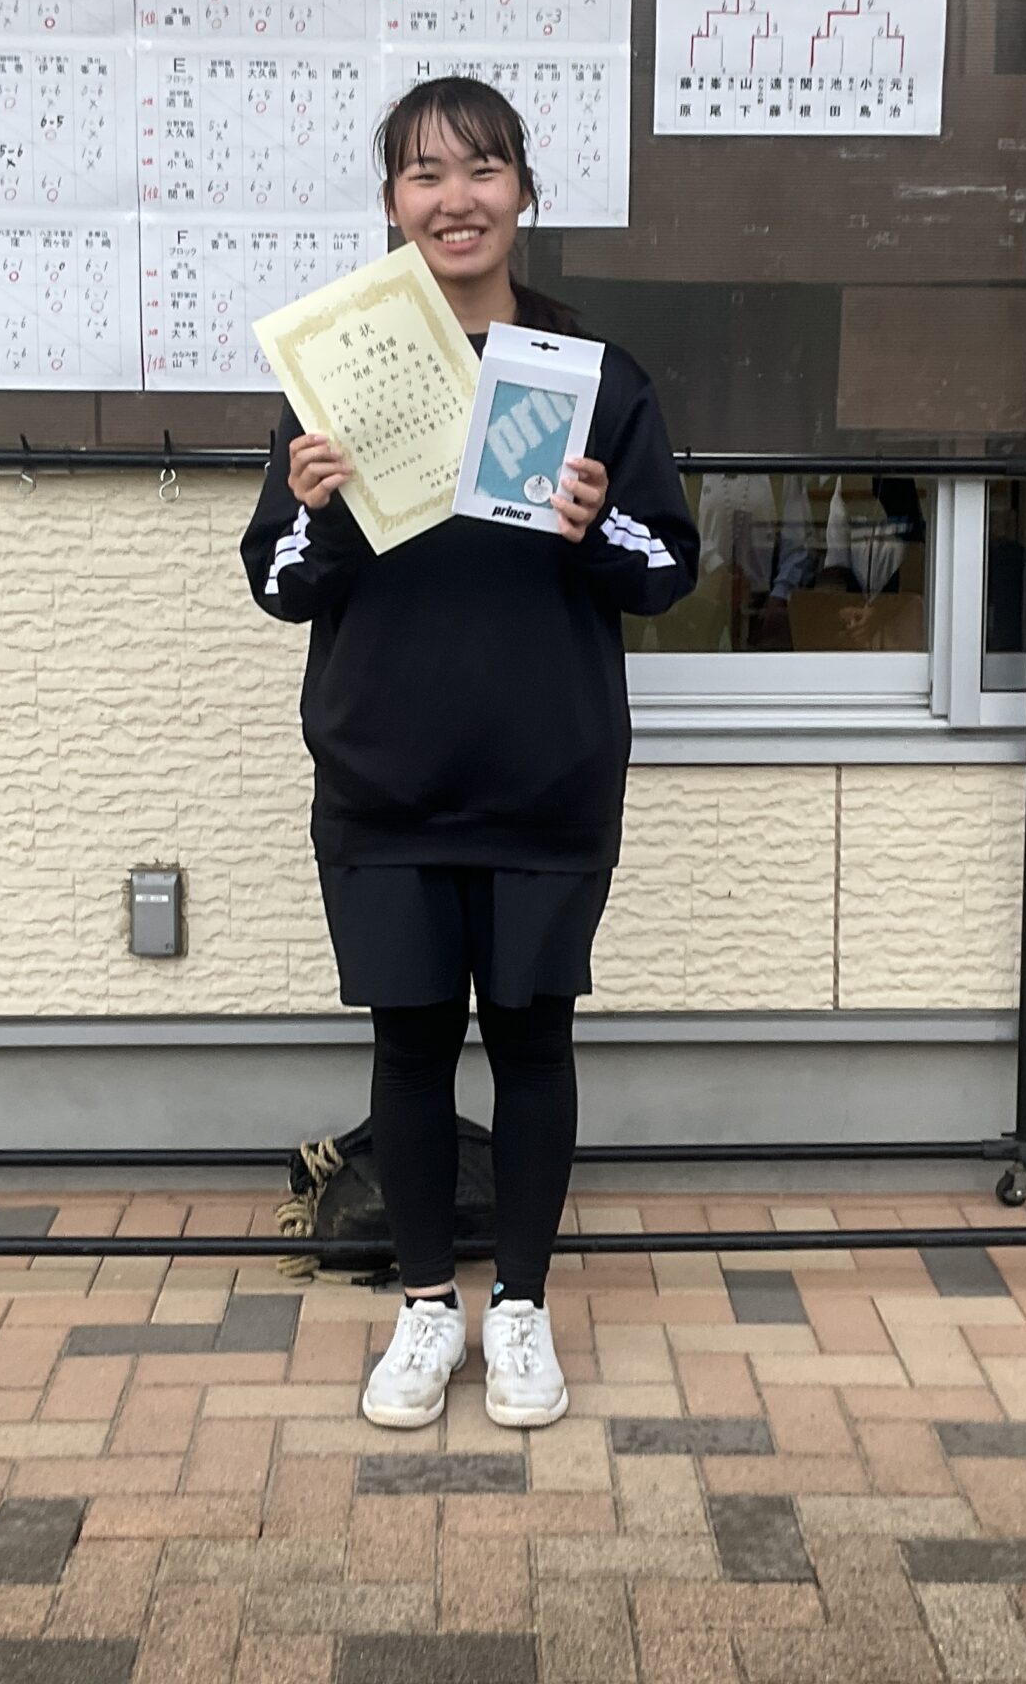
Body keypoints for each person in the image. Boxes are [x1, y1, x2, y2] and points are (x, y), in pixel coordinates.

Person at [238, 77, 700, 1432]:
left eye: (483, 168)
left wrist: (595, 526)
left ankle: (523, 1310)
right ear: (393, 203)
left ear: (525, 194)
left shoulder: (591, 375)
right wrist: (319, 508)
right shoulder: (342, 372)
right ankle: (427, 1306)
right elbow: (279, 582)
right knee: (410, 1044)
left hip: (547, 774)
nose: (457, 199)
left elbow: (667, 570)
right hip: (383, 776)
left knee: (535, 1040)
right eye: (426, 174)